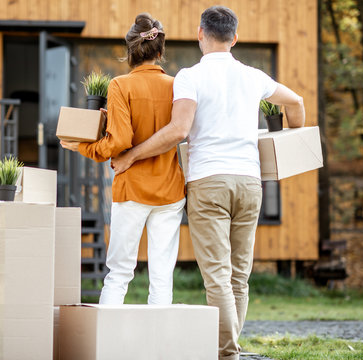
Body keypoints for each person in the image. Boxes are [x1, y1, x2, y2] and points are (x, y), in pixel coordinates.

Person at [110, 6, 305, 360]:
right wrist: (290, 138)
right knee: (238, 277)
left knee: (217, 277)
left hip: (209, 183)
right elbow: (296, 101)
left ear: (201, 33)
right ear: (235, 37)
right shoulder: (254, 76)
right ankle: (227, 349)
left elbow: (179, 131)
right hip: (249, 183)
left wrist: (132, 155)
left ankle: (227, 354)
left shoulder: (190, 76)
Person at [60, 13, 186, 305]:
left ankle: (107, 346)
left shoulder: (120, 85)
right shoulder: (178, 86)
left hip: (132, 190)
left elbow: (120, 141)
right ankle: (158, 348)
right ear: (161, 50)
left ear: (131, 51)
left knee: (118, 273)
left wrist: (82, 146)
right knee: (162, 277)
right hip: (170, 191)